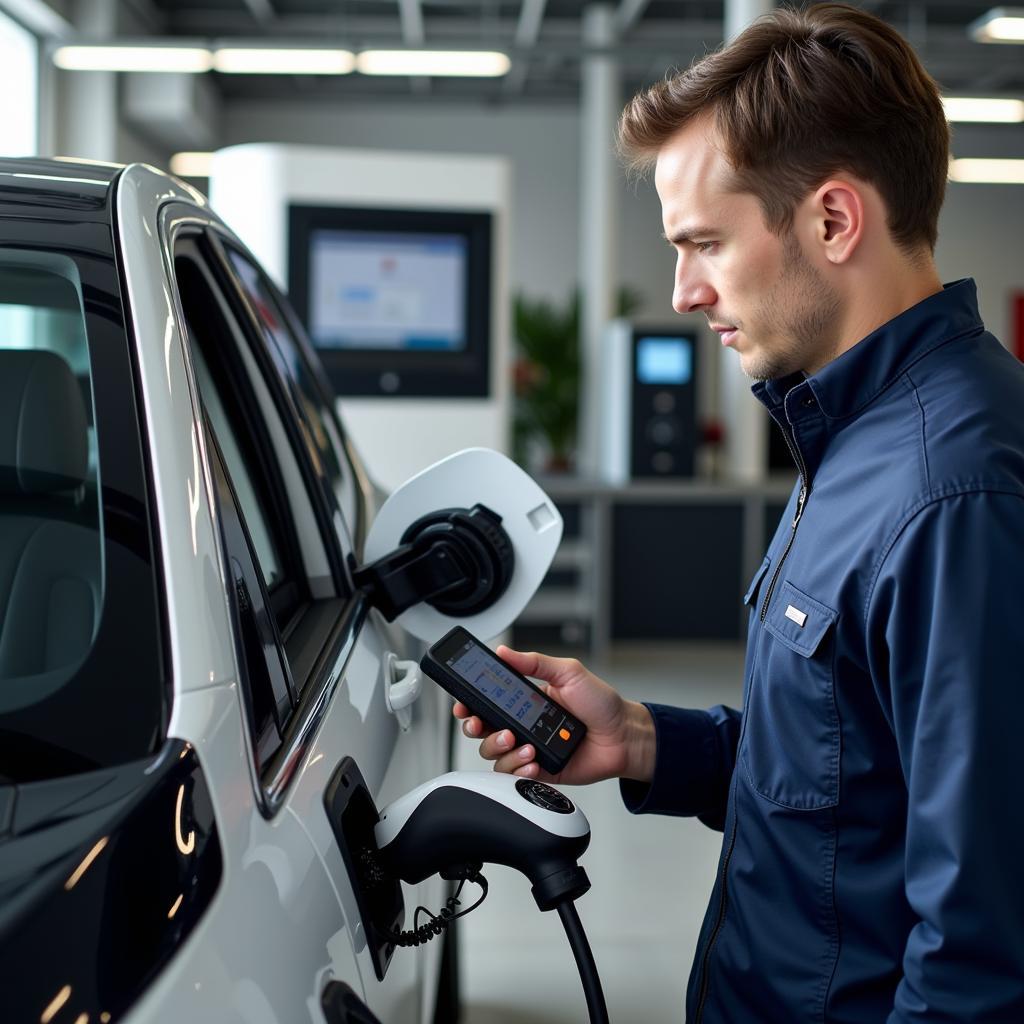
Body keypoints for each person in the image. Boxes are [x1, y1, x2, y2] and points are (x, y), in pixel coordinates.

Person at [455, 4, 1024, 1021]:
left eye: (705, 243)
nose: (681, 291)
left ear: (833, 221)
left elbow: (982, 950)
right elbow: (851, 782)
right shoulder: (852, 431)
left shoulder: (953, 493)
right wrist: (639, 739)